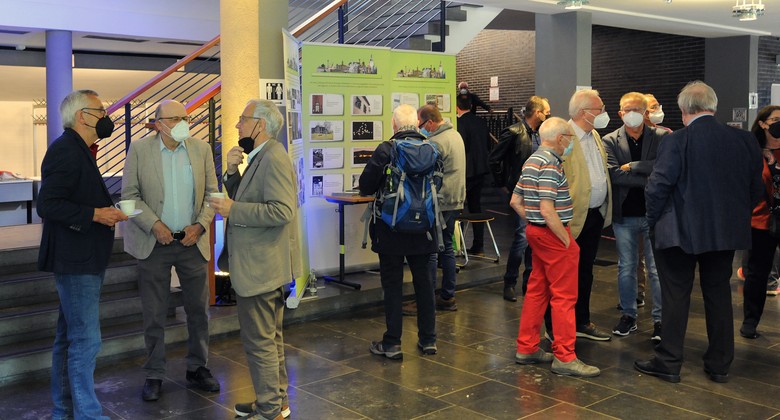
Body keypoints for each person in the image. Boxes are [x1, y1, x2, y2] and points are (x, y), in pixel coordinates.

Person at [635, 81, 763, 384]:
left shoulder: (676, 141)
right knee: (718, 294)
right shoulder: (744, 140)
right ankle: (719, 364)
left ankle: (669, 361)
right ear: (713, 107)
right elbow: (756, 189)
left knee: (675, 294)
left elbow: (658, 186)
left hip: (678, 232)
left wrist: (653, 221)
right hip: (724, 233)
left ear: (682, 111)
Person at [37, 89, 128, 419]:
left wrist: (105, 211)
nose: (106, 116)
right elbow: (47, 204)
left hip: (81, 257)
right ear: (82, 116)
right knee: (87, 341)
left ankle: (64, 411)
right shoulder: (66, 150)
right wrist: (96, 214)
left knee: (69, 339)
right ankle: (88, 414)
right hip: (76, 260)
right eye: (99, 111)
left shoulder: (80, 150)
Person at [121, 100, 220, 401]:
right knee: (154, 313)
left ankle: (197, 367)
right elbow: (129, 196)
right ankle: (154, 373)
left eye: (186, 117)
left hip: (191, 243)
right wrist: (154, 225)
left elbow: (213, 195)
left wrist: (200, 226)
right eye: (177, 118)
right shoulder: (139, 150)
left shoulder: (200, 149)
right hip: (154, 245)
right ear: (159, 122)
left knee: (198, 312)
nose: (184, 123)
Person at [209, 99, 301, 420]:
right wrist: (232, 173)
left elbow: (281, 211)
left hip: (262, 268)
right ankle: (276, 401)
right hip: (263, 266)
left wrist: (234, 210)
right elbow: (249, 195)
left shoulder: (273, 158)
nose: (237, 126)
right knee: (270, 340)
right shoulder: (262, 157)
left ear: (260, 125)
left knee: (260, 343)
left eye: (242, 120)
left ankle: (268, 409)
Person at [512, 116, 600, 378]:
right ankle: (565, 356)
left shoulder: (532, 160)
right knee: (564, 297)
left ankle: (527, 347)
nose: (570, 143)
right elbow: (547, 208)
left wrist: (535, 225)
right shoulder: (550, 164)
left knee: (538, 290)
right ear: (561, 138)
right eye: (569, 138)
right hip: (553, 236)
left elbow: (516, 202)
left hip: (537, 235)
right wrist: (564, 238)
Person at [359, 104, 438, 360]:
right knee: (424, 284)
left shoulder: (387, 150)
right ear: (417, 124)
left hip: (390, 228)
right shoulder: (432, 149)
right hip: (423, 227)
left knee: (392, 284)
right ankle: (428, 340)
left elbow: (366, 185)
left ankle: (392, 343)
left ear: (394, 125)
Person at [548, 89, 613, 341]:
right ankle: (554, 327)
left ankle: (581, 320)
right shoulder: (563, 136)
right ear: (584, 113)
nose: (603, 113)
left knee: (585, 270)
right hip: (569, 217)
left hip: (594, 214)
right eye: (600, 109)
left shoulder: (594, 134)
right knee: (561, 275)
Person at [602, 92, 666, 341]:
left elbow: (663, 169)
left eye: (637, 109)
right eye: (627, 109)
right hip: (624, 214)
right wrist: (647, 172)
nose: (632, 113)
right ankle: (629, 315)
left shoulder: (662, 137)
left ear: (645, 112)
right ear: (620, 113)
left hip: (655, 213)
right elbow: (614, 175)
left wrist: (634, 166)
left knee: (656, 269)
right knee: (626, 267)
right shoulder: (609, 140)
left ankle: (661, 320)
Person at [490, 96, 550, 301]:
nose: (549, 114)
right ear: (537, 112)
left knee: (535, 240)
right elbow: (494, 159)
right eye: (546, 111)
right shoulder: (514, 132)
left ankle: (529, 284)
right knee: (523, 238)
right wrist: (504, 185)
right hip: (522, 193)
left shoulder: (543, 134)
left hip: (541, 193)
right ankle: (510, 282)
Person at [419, 104, 466, 310]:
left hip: (441, 200)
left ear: (430, 122)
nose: (420, 128)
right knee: (447, 246)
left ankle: (426, 299)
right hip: (455, 198)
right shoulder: (455, 135)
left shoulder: (436, 142)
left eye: (421, 124)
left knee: (430, 249)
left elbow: (424, 170)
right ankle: (448, 296)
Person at [739, 105, 780, 339]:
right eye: (775, 120)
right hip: (760, 220)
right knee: (757, 274)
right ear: (763, 124)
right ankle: (750, 321)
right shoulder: (751, 150)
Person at [456, 94, 491, 255]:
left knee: (459, 208)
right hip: (481, 170)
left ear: (457, 107)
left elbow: (462, 146)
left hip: (466, 172)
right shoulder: (480, 122)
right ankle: (479, 245)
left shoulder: (460, 123)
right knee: (476, 207)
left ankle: (459, 244)